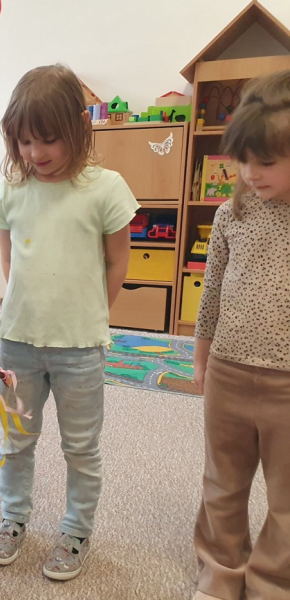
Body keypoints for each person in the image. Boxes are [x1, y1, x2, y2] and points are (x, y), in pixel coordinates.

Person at [0, 64, 138, 580]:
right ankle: (13, 518)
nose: (35, 153)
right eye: (25, 141)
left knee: (81, 447)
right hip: (18, 344)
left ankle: (75, 530)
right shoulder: (11, 189)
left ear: (80, 126)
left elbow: (117, 262)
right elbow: (10, 262)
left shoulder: (105, 188)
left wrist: (92, 315)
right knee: (16, 440)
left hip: (79, 349)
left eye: (48, 139)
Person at [192, 69, 290, 600]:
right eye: (243, 160)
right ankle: (221, 571)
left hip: (287, 385)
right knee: (222, 483)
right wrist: (201, 359)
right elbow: (210, 295)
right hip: (228, 370)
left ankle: (273, 581)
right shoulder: (232, 214)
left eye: (266, 161)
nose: (251, 173)